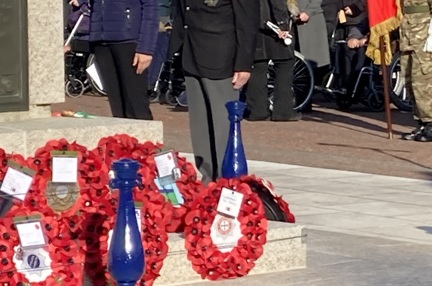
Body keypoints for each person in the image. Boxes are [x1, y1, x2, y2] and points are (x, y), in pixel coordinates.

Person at [169, 0, 260, 184]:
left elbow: (247, 19)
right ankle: (208, 179)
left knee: (222, 127)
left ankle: (226, 182)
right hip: (192, 53)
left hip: (222, 56)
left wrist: (244, 63)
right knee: (200, 127)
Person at [88, 0, 159, 120]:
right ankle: (122, 138)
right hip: (101, 41)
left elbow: (150, 7)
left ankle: (143, 137)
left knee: (136, 106)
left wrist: (146, 48)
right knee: (117, 108)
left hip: (129, 40)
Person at [244, 0, 302, 122]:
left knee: (258, 67)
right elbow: (278, 3)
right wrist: (283, 24)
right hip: (273, 28)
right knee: (285, 65)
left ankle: (257, 111)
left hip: (254, 24)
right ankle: (283, 111)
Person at [400, 0, 432, 142]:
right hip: (407, 36)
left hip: (424, 37)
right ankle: (421, 122)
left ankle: (430, 122)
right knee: (409, 80)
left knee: (423, 81)